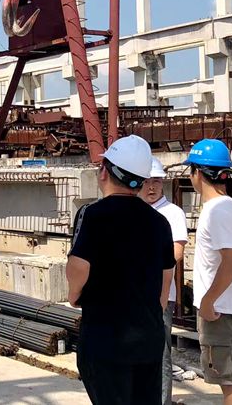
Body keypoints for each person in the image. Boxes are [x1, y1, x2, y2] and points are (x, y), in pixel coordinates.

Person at [67, 136, 176, 405]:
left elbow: (79, 265)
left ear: (104, 171)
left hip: (106, 338)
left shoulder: (92, 215)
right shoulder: (160, 222)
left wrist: (74, 295)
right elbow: (166, 279)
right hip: (148, 339)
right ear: (141, 181)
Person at [186, 139, 232, 404]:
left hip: (220, 310)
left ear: (197, 173)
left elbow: (231, 262)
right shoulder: (226, 206)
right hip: (226, 307)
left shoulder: (218, 210)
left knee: (228, 379)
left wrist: (208, 300)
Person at [141, 157, 188, 405]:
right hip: (135, 295)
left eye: (156, 181)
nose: (151, 187)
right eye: (146, 181)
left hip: (161, 295)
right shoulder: (135, 210)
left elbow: (176, 253)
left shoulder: (172, 213)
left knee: (160, 353)